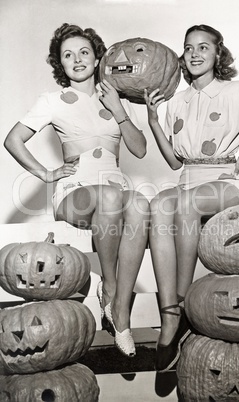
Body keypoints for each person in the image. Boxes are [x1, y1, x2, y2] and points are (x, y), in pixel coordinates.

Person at [144, 24, 239, 372]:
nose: (195, 54)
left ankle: (183, 309)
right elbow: (173, 162)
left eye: (204, 47)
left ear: (218, 54)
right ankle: (169, 314)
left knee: (185, 203)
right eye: (188, 48)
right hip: (188, 180)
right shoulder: (176, 102)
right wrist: (153, 120)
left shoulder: (238, 92)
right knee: (159, 205)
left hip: (227, 182)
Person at [4, 23, 150, 357]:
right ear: (60, 63)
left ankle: (120, 314)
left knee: (140, 203)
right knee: (111, 197)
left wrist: (119, 110)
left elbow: (140, 149)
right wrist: (46, 173)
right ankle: (110, 289)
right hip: (75, 188)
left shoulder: (116, 97)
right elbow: (13, 140)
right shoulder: (52, 100)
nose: (77, 59)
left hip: (114, 185)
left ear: (98, 57)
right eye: (67, 55)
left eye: (84, 52)